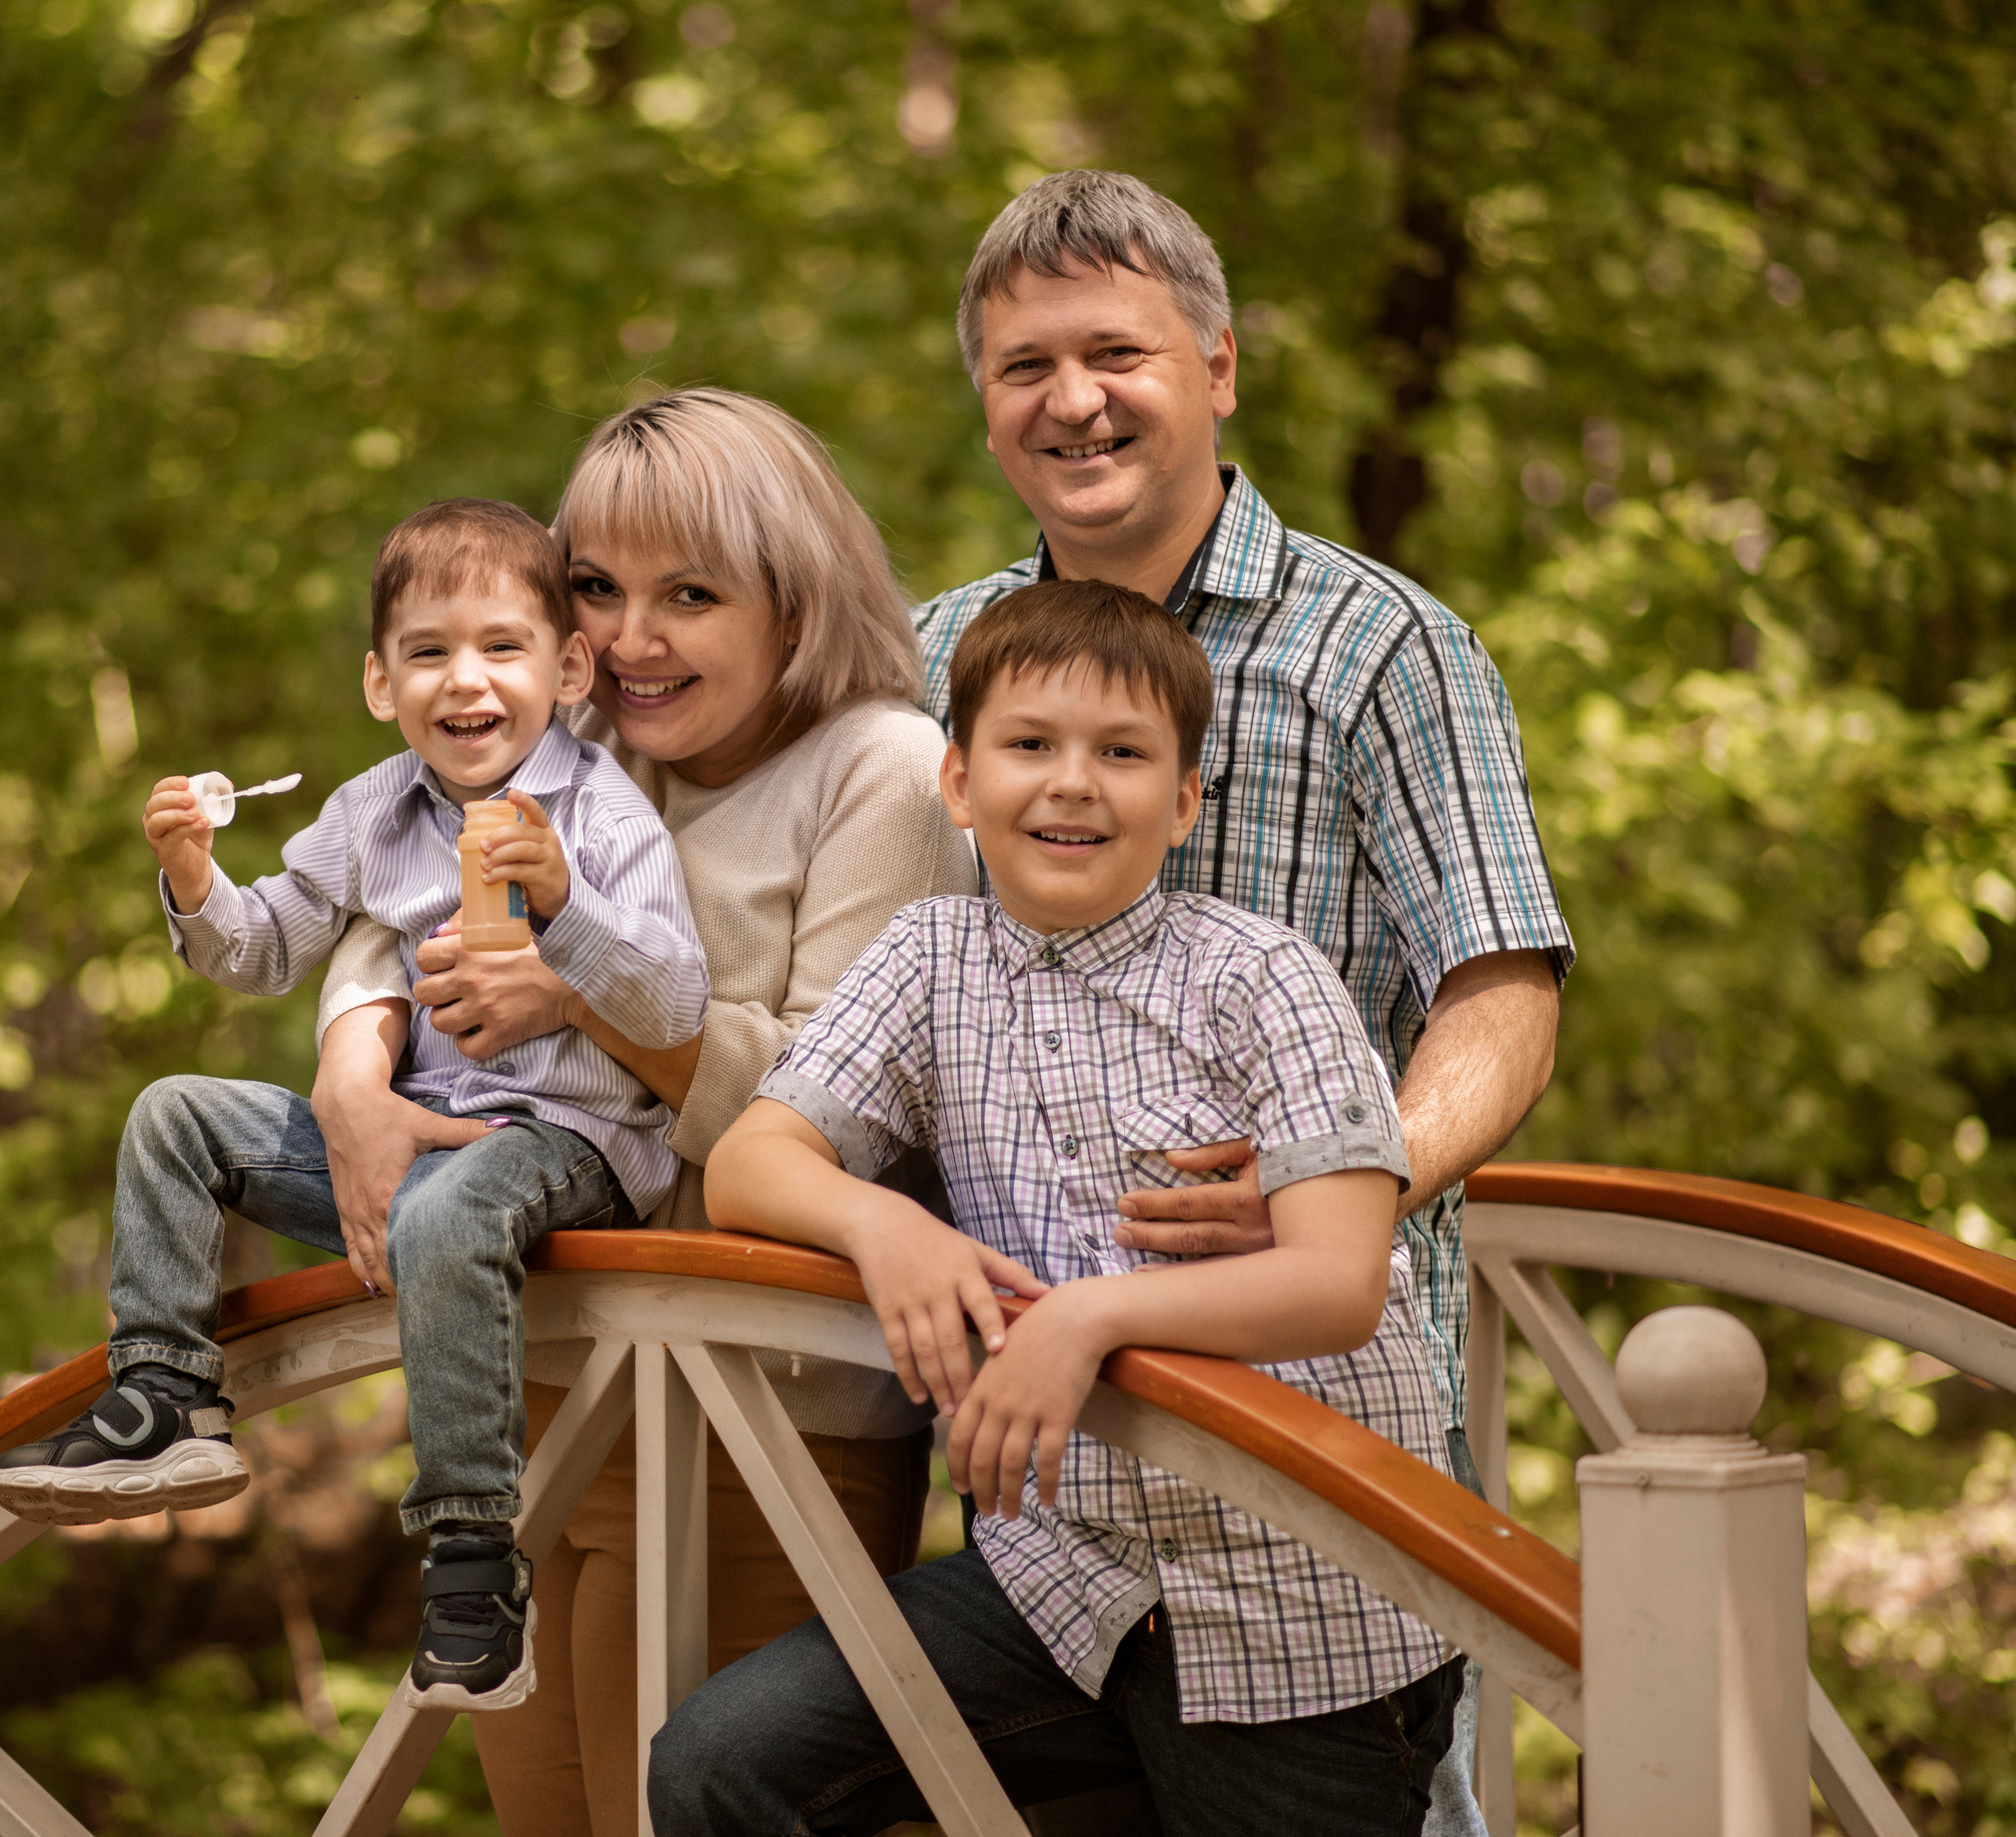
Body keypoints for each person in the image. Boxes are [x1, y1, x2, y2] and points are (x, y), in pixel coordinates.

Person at [905, 168, 1572, 1830]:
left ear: (1216, 366)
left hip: (1319, 1447)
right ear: (985, 403)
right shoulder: (931, 659)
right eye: (1023, 366)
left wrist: (1337, 1174)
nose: (1073, 400)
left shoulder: (1378, 648)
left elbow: (1498, 988)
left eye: (1115, 352)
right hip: (1043, 1472)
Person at [654, 578, 1462, 1835]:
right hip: (1061, 1579)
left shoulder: (1262, 978)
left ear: (1183, 799)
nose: (1072, 783)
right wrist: (888, 1226)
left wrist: (1084, 1320)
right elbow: (758, 1159)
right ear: (960, 785)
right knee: (721, 1761)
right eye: (1029, 745)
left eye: (1123, 753)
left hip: (1301, 1603)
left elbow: (1337, 1281)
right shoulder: (930, 959)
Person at [309, 389, 976, 1836]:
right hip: (551, 1380)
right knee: (545, 1811)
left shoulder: (883, 770)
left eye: (690, 594)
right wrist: (350, 1072)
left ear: (792, 605)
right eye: (597, 590)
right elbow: (391, 890)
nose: (629, 638)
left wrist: (582, 996)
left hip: (768, 1409)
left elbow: (835, 1107)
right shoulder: (589, 749)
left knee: (665, 1808)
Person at [0, 497, 708, 1714]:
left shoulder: (598, 810)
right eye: (428, 653)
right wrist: (192, 876)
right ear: (381, 683)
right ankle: (168, 1392)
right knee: (175, 1112)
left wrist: (567, 905)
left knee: (443, 1217)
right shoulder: (373, 811)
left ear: (568, 669)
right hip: (415, 1147)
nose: (463, 681)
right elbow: (264, 950)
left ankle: (473, 1554)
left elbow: (675, 999)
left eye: (500, 648)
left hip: (566, 1142)